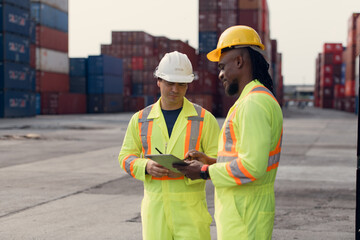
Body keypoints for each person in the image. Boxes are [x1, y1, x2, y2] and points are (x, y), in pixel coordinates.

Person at [173, 25, 283, 240]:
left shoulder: (253, 104)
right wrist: (212, 161)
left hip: (245, 217)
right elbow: (245, 158)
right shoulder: (253, 100)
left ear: (239, 62)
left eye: (222, 67)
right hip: (243, 212)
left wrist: (204, 171)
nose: (220, 75)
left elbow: (252, 167)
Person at [118, 51, 220, 240]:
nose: (175, 89)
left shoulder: (205, 120)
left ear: (188, 85)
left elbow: (220, 163)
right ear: (158, 81)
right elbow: (125, 157)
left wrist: (191, 169)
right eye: (169, 83)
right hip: (155, 212)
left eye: (181, 84)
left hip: (191, 212)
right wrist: (146, 166)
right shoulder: (140, 119)